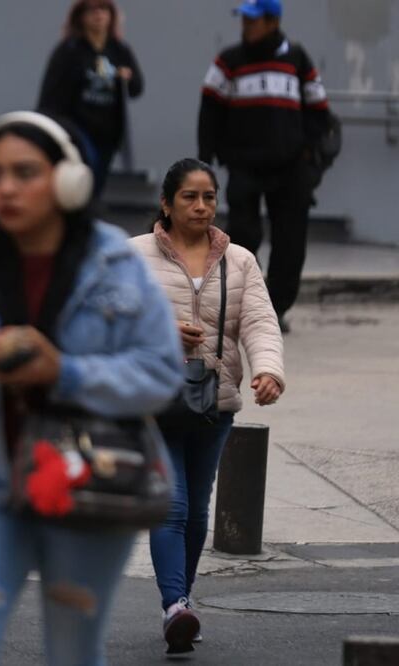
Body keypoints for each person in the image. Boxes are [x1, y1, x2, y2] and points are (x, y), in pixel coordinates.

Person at [0, 112, 183, 666]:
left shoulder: (113, 262)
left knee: (73, 649)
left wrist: (64, 371)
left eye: (24, 172)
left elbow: (160, 374)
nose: (5, 187)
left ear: (66, 180)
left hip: (85, 485)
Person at [130, 158, 285, 655]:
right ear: (166, 204)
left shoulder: (238, 260)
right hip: (153, 401)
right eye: (189, 197)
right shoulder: (132, 257)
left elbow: (259, 321)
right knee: (171, 505)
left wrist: (268, 370)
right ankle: (174, 604)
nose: (200, 206)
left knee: (197, 511)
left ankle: (182, 600)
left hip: (213, 403)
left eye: (209, 197)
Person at [198, 0, 330, 333]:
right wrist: (207, 158)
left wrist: (305, 151)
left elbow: (319, 110)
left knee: (290, 241)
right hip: (244, 166)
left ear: (272, 22)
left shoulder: (296, 59)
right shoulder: (228, 61)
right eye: (243, 19)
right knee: (241, 237)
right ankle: (249, 304)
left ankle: (277, 307)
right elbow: (210, 109)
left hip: (290, 169)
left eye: (252, 20)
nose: (245, 26)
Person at [37, 0, 143, 201]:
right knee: (83, 176)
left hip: (108, 131)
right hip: (77, 128)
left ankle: (87, 220)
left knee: (97, 182)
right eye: (92, 10)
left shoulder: (119, 49)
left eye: (104, 9)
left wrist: (128, 78)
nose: (99, 15)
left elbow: (137, 88)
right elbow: (50, 93)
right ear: (81, 17)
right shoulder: (69, 50)